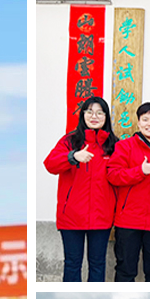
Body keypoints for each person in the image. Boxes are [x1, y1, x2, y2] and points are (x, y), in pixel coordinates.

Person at [44, 97, 117, 282]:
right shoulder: (70, 141)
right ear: (82, 114)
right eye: (90, 111)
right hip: (72, 215)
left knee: (98, 264)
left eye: (100, 112)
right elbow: (50, 164)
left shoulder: (113, 144)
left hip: (102, 215)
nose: (94, 116)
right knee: (72, 264)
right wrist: (73, 156)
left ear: (106, 117)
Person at [108, 102, 150, 282]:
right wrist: (139, 171)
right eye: (145, 119)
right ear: (138, 122)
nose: (149, 124)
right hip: (128, 220)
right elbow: (112, 175)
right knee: (125, 269)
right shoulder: (125, 147)